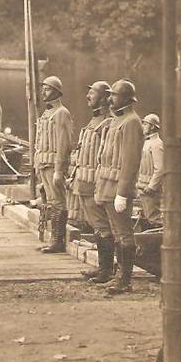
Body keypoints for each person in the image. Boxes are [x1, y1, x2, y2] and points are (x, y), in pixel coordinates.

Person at [93, 79, 144, 295]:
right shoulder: (117, 121)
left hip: (117, 188)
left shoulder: (132, 122)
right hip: (106, 185)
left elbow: (130, 162)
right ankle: (115, 275)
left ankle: (125, 280)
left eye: (114, 95)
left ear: (125, 99)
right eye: (111, 94)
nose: (110, 98)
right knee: (115, 232)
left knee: (124, 234)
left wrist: (123, 193)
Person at [69, 81, 115, 283]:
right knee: (96, 226)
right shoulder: (92, 123)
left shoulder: (108, 124)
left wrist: (100, 185)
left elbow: (107, 158)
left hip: (97, 184)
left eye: (93, 92)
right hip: (83, 183)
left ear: (105, 98)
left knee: (104, 226)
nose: (88, 95)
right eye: (88, 92)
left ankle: (107, 271)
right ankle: (102, 268)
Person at [34, 75, 75, 254]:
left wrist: (59, 170)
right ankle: (53, 239)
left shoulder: (62, 113)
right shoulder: (46, 113)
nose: (44, 91)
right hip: (43, 164)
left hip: (53, 165)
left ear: (57, 92)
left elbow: (64, 143)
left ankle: (58, 241)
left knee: (58, 202)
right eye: (43, 88)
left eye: (48, 88)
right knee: (51, 202)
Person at [137, 113, 164, 223]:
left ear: (152, 127)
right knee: (145, 216)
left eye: (145, 124)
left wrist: (152, 187)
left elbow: (160, 168)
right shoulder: (146, 143)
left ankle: (159, 236)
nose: (143, 126)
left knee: (153, 217)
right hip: (142, 187)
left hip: (150, 189)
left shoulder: (157, 144)